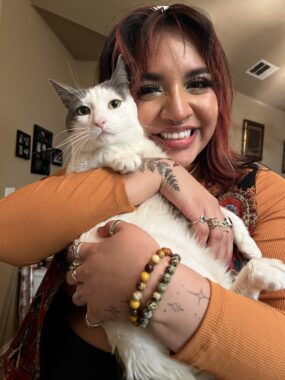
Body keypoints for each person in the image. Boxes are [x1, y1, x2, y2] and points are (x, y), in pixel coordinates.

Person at [1, 4, 285, 380]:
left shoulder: (266, 191)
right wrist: (160, 173)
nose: (179, 110)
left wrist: (153, 285)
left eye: (198, 83)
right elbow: (8, 234)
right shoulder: (90, 171)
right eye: (149, 89)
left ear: (221, 93)